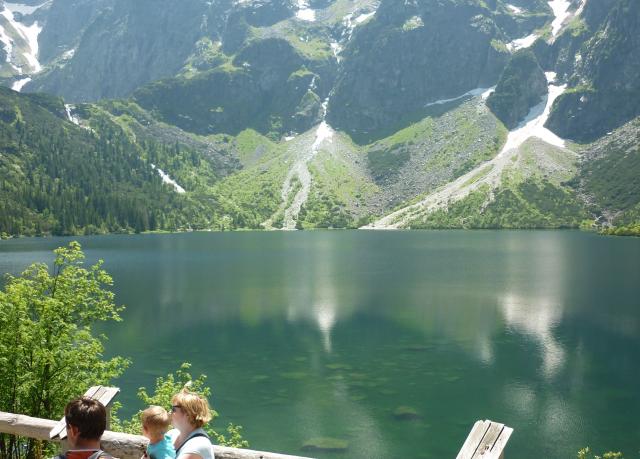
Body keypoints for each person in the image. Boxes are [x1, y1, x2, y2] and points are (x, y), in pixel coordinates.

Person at [167, 389, 214, 459]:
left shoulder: (199, 444)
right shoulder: (171, 434)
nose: (169, 412)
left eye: (173, 409)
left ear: (187, 413)